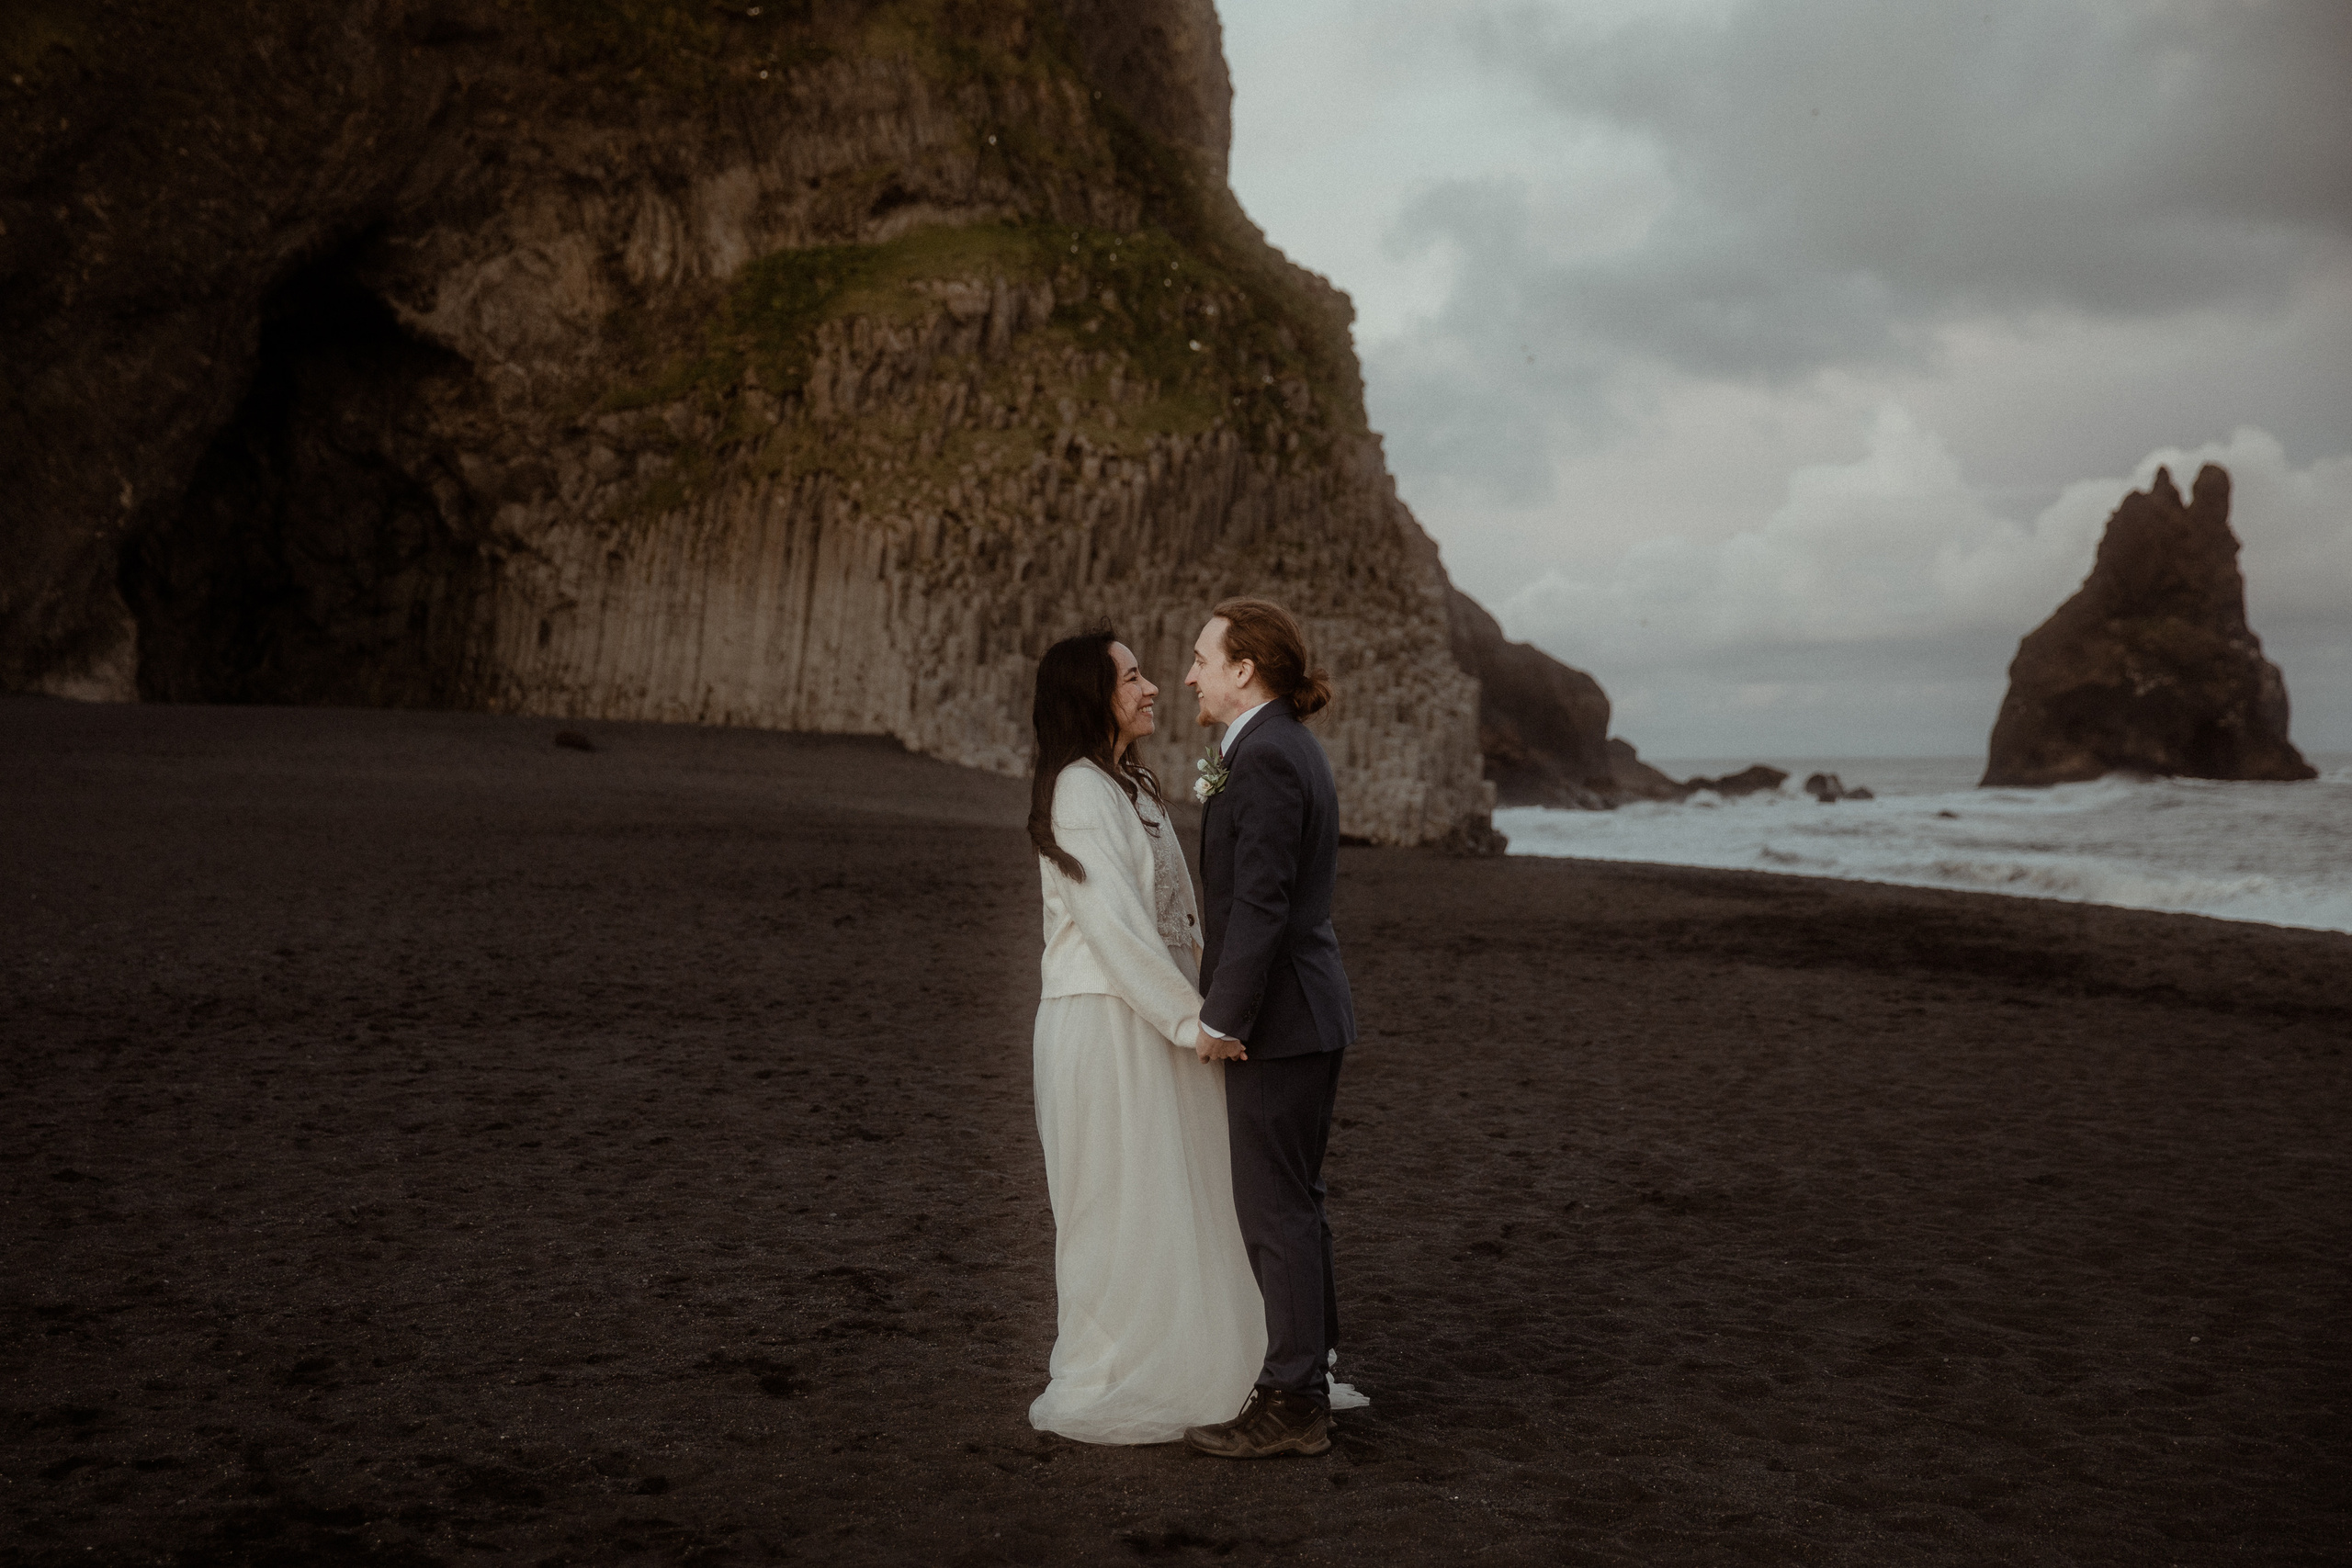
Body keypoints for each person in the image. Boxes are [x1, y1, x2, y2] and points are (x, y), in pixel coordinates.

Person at [1025, 625, 1267, 1444]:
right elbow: (1115, 927)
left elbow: (1181, 919)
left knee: (1182, 1188)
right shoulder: (1078, 791)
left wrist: (1213, 1003)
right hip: (1105, 1019)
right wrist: (1189, 1019)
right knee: (1117, 1197)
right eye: (1131, 677)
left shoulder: (1132, 784)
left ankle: (1201, 1356)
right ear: (1091, 695)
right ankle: (1125, 1365)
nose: (1152, 686)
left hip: (1161, 1011)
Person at [1180, 597, 1360, 1461]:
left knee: (1275, 1208)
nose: (1190, 674)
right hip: (1306, 1012)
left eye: (1202, 657)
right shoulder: (1280, 746)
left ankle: (1293, 1400)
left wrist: (1223, 1017)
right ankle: (1312, 1367)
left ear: (1244, 667)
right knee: (1299, 1202)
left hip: (1279, 1020)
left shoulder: (1267, 758)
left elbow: (1261, 902)